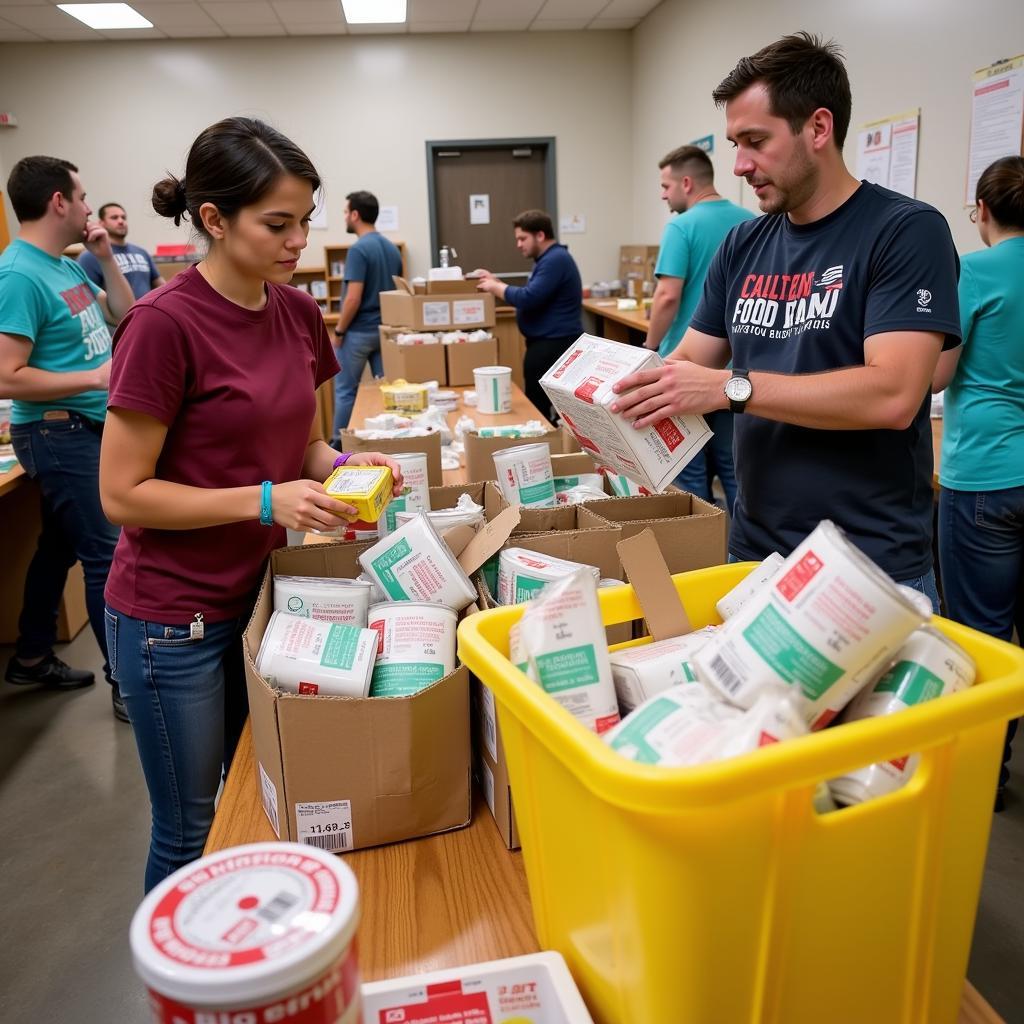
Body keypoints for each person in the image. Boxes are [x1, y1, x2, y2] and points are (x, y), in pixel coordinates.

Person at [98, 117, 403, 891]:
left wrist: (343, 464)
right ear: (213, 219)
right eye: (278, 223)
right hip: (175, 621)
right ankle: (188, 998)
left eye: (305, 220)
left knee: (257, 799)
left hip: (269, 604)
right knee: (193, 828)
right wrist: (265, 500)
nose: (298, 239)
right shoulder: (163, 326)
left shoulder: (298, 315)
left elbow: (303, 449)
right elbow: (122, 494)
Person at [610, 32, 960, 610]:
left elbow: (895, 394)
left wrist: (730, 389)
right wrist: (610, 399)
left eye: (756, 142)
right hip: (758, 553)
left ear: (818, 128)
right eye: (734, 144)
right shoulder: (743, 244)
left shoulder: (904, 231)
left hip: (869, 567)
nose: (741, 165)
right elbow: (689, 363)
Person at [0, 156, 134, 719]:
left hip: (87, 428)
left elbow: (124, 316)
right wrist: (95, 377)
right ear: (59, 201)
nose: (86, 206)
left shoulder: (68, 264)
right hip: (59, 432)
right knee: (105, 555)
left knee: (57, 549)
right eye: (81, 197)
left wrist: (103, 258)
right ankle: (126, 686)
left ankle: (31, 654)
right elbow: (7, 373)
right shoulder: (20, 274)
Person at [933, 155, 1024, 809]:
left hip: (986, 474)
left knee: (981, 633)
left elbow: (935, 377)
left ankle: (985, 777)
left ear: (983, 212)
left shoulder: (973, 271)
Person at [645, 144, 754, 513]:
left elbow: (667, 296)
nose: (663, 194)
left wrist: (650, 347)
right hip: (738, 374)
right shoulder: (751, 221)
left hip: (686, 367)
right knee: (735, 472)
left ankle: (702, 557)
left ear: (686, 183)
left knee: (688, 476)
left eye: (665, 186)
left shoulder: (681, 226)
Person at [474, 210, 583, 418]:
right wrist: (496, 282)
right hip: (547, 343)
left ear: (540, 235)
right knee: (539, 402)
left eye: (523, 238)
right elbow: (534, 295)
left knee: (538, 408)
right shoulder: (547, 260)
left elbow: (528, 298)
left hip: (554, 345)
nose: (519, 244)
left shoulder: (555, 260)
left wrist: (494, 287)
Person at [331, 190, 403, 438]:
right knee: (387, 390)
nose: (344, 218)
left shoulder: (359, 250)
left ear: (355, 214)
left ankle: (338, 445)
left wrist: (339, 331)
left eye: (345, 213)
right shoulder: (392, 249)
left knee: (345, 391)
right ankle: (389, 438)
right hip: (385, 332)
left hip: (358, 333)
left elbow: (353, 298)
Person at [77, 203, 165, 299]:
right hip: (118, 313)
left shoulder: (142, 252)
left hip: (146, 312)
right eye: (114, 218)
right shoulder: (90, 256)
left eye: (123, 217)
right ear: (102, 223)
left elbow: (160, 285)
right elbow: (87, 297)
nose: (121, 221)